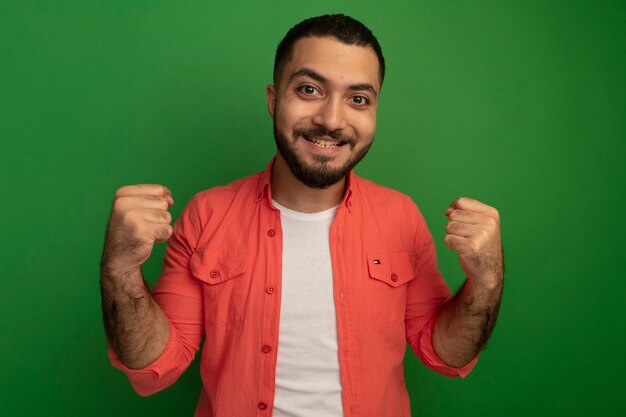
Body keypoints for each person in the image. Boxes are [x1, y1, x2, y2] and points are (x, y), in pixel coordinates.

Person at [100, 14, 503, 417]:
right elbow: (156, 364)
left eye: (358, 99)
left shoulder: (402, 218)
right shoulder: (207, 214)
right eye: (309, 89)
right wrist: (120, 271)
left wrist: (486, 281)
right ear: (274, 100)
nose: (331, 119)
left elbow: (445, 354)